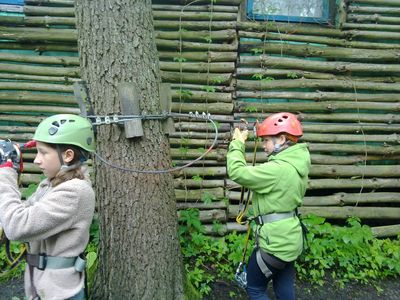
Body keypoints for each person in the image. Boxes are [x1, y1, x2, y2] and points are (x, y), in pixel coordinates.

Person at [0, 114, 96, 300]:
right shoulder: (50, 185)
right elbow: (16, 214)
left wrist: (5, 174)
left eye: (43, 152)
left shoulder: (74, 192)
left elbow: (17, 226)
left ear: (68, 155)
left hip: (61, 293)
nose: (36, 160)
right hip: (44, 288)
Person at [227, 112, 311, 300]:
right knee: (284, 288)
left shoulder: (277, 169)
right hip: (290, 240)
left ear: (282, 139)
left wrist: (237, 143)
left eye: (266, 141)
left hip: (275, 243)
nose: (264, 146)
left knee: (254, 288)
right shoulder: (297, 162)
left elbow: (237, 172)